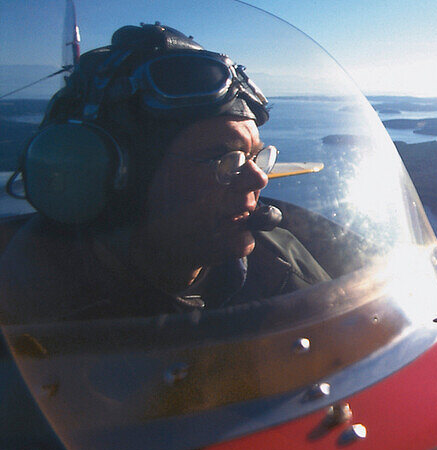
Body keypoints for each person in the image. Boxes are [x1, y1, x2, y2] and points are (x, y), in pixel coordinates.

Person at [0, 23, 328, 323]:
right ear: (114, 179)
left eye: (256, 157)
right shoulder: (25, 320)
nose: (259, 180)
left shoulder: (280, 259)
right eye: (225, 160)